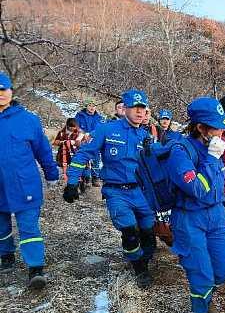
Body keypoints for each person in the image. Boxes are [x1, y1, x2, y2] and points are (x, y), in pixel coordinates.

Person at [63, 89, 156, 289]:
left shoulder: (146, 136)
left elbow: (158, 168)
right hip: (117, 191)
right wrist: (72, 181)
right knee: (129, 230)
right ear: (125, 108)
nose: (139, 112)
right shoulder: (107, 129)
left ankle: (144, 259)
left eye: (143, 108)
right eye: (135, 108)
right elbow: (84, 154)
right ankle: (139, 268)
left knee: (148, 231)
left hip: (142, 193)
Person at [166, 97, 225, 313]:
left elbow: (219, 183)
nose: (223, 131)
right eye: (217, 127)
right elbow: (196, 188)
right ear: (200, 128)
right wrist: (212, 159)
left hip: (216, 215)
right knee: (200, 270)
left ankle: (207, 294)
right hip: (189, 218)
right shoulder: (180, 152)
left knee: (223, 268)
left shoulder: (212, 146)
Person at [0, 71, 59, 288]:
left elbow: (43, 150)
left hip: (24, 183)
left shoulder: (28, 120)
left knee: (28, 226)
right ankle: (6, 255)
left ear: (11, 91)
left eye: (3, 89)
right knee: (1, 227)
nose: (0, 94)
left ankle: (35, 268)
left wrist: (51, 173)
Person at [75, 98, 105, 186]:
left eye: (94, 106)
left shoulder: (99, 118)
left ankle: (95, 177)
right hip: (82, 139)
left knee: (96, 159)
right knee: (84, 159)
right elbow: (75, 127)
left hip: (95, 140)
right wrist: (82, 134)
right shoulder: (79, 115)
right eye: (90, 105)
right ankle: (85, 178)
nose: (92, 108)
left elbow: (101, 129)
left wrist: (93, 135)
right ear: (86, 106)